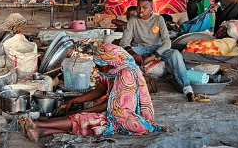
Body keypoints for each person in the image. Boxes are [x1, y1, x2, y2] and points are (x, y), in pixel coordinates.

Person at [19, 43, 165, 141]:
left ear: (111, 62)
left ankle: (39, 125)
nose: (97, 68)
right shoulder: (112, 71)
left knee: (86, 119)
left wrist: (86, 111)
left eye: (100, 65)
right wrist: (73, 101)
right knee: (84, 117)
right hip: (114, 109)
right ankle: (41, 131)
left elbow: (113, 106)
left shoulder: (126, 75)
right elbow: (100, 89)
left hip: (126, 118)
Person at [118, 0, 196, 102]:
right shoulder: (133, 20)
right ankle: (123, 87)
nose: (141, 10)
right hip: (139, 48)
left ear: (151, 8)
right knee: (120, 53)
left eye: (145, 7)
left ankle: (187, 89)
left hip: (157, 48)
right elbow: (124, 41)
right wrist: (133, 53)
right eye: (139, 7)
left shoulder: (159, 19)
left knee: (175, 54)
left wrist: (153, 57)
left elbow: (167, 43)